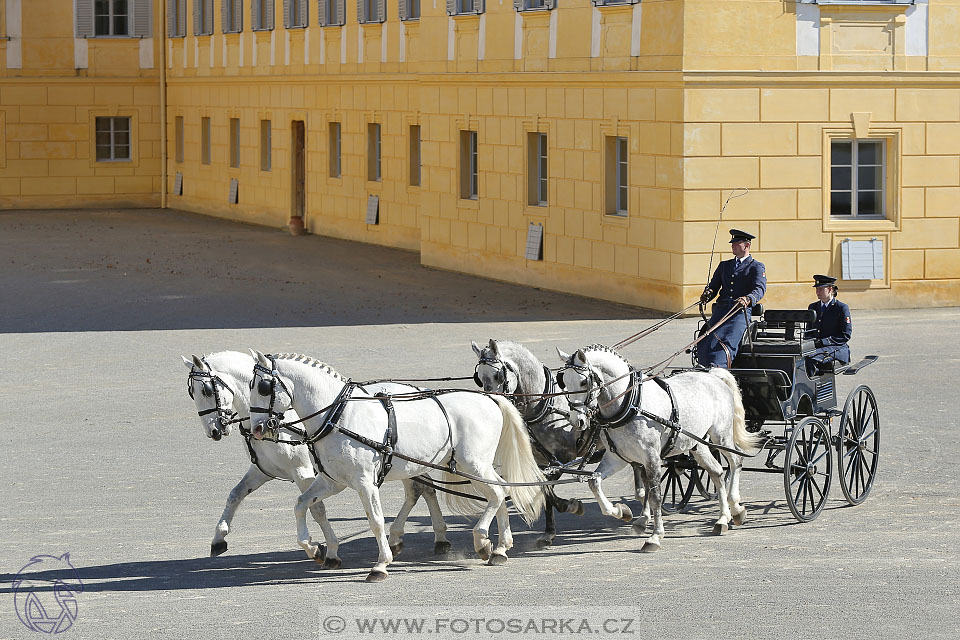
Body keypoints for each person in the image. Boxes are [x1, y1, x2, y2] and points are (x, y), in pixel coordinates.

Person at [696, 229, 767, 368]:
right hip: (721, 310)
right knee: (706, 339)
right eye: (732, 243)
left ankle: (718, 367)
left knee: (728, 340)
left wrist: (748, 299)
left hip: (739, 313)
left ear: (747, 246)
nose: (733, 246)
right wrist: (707, 294)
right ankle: (702, 365)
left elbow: (759, 289)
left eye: (736, 243)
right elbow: (714, 286)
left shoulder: (756, 267)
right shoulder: (724, 265)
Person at [805, 274, 852, 367]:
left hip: (835, 347)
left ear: (830, 289)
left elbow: (845, 335)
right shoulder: (813, 307)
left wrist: (823, 342)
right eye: (816, 289)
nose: (817, 292)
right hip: (817, 347)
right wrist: (807, 343)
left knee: (810, 359)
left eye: (820, 289)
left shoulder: (841, 308)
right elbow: (808, 331)